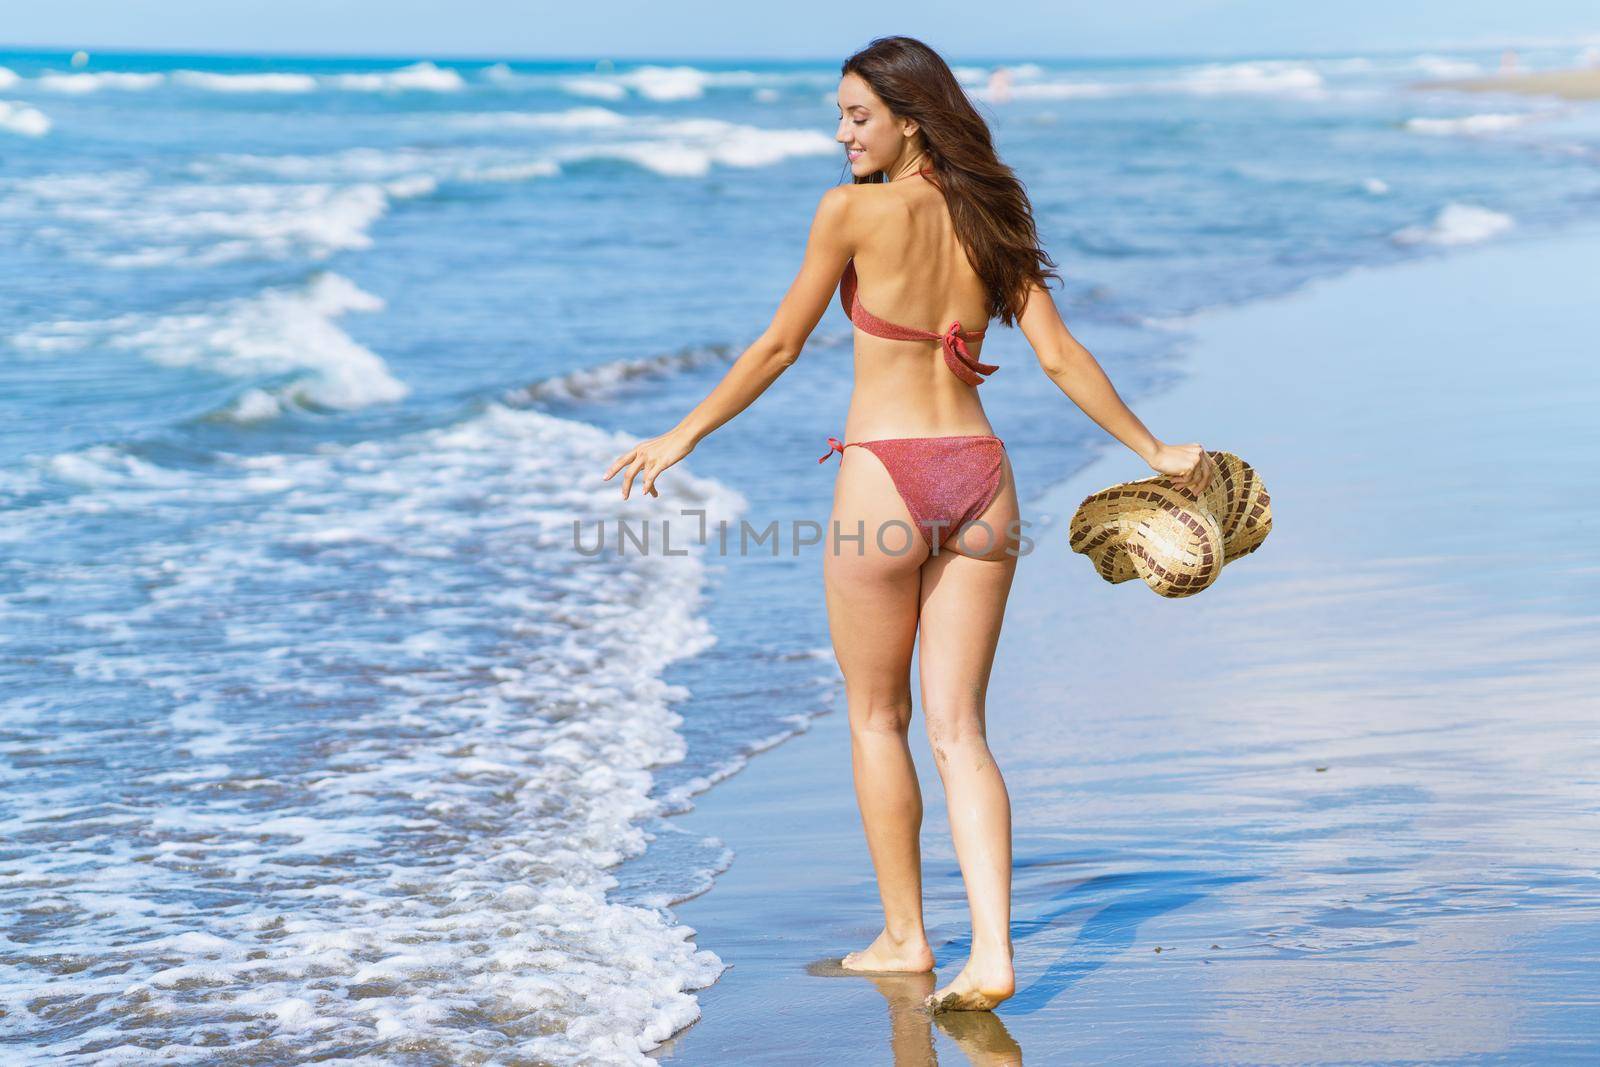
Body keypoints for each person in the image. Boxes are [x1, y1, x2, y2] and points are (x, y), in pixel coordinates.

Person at [603, 35, 1213, 1013]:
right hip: (982, 476)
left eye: (856, 115)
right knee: (961, 730)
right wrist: (1154, 451)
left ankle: (904, 934)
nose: (841, 134)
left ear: (909, 118)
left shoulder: (850, 212)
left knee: (876, 716)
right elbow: (1056, 356)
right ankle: (994, 949)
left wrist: (681, 433)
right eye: (841, 115)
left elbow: (777, 345)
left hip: (885, 479)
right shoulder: (991, 213)